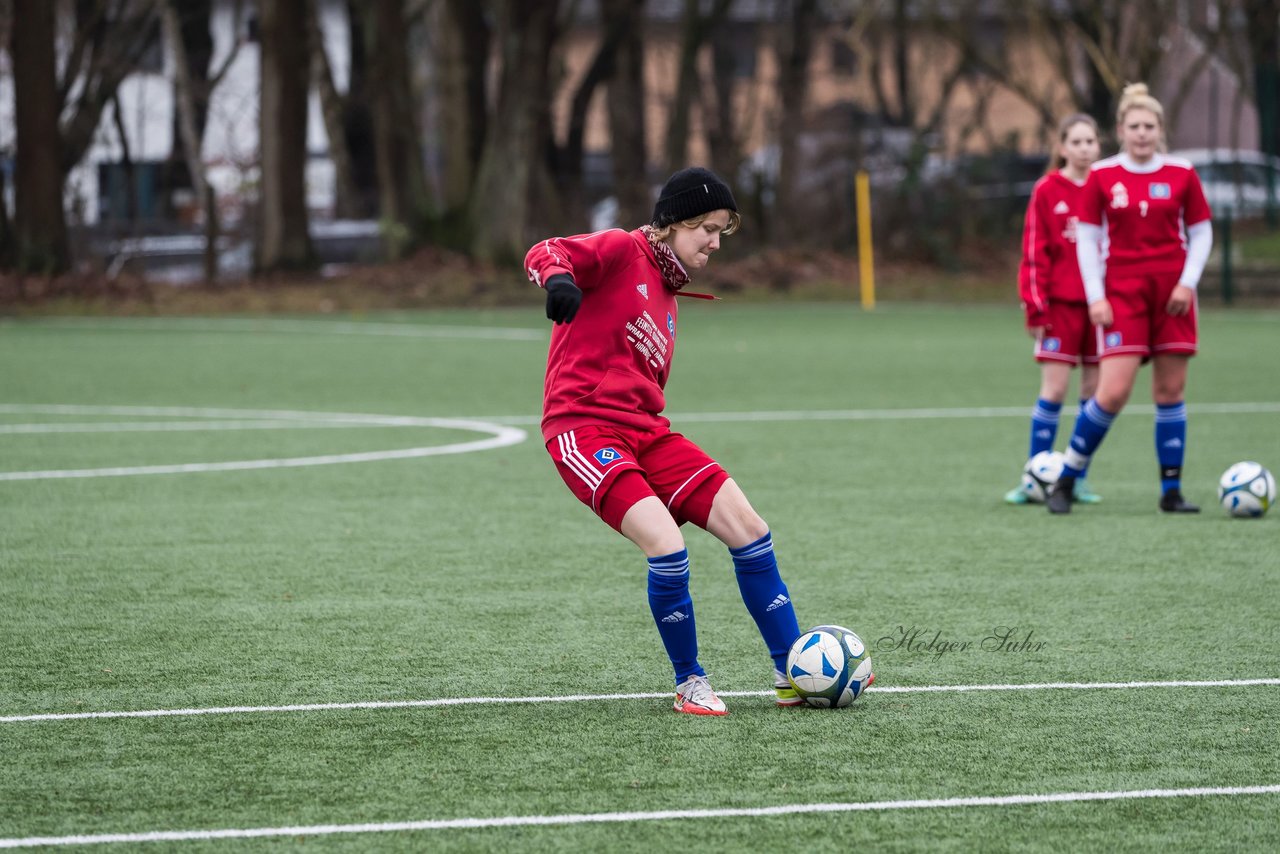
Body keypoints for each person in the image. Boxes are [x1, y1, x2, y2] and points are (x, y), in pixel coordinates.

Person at [525, 167, 850, 715]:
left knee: (749, 528)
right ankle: (690, 682)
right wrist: (559, 280)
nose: (716, 243)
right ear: (676, 223)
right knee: (667, 547)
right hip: (582, 428)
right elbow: (547, 249)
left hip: (647, 433)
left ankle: (790, 669)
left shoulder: (670, 295)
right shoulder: (621, 251)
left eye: (723, 232)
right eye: (709, 229)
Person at [1047, 83, 1212, 514]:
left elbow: (1201, 232)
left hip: (1173, 295)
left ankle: (1171, 492)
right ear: (1121, 129)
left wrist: (1187, 283)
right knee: (1113, 392)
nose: (1142, 133)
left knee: (1170, 390)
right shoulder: (1103, 175)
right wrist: (1096, 296)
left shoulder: (1182, 173)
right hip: (1122, 293)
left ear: (1160, 129)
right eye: (1134, 126)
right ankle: (1066, 479)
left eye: (1149, 126)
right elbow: (1087, 239)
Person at [1005, 114, 1104, 505]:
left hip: (1101, 310)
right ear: (1062, 147)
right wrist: (1035, 305)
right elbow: (1034, 252)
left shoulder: (1107, 187)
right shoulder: (1047, 190)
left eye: (1090, 141)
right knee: (1055, 389)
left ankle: (1076, 477)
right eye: (1076, 142)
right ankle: (1035, 476)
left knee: (1095, 394)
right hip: (1059, 307)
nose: (1083, 149)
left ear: (1099, 146)